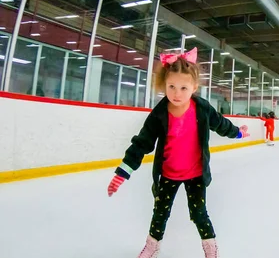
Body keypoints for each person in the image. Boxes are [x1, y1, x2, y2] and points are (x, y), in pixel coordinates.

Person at [106, 48, 250, 258]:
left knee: (199, 214)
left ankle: (211, 249)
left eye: (183, 87)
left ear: (194, 87)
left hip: (196, 174)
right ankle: (152, 247)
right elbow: (142, 143)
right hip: (168, 174)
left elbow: (220, 124)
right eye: (171, 86)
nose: (177, 93)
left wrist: (238, 133)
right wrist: (123, 172)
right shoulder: (159, 113)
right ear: (164, 84)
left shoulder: (201, 108)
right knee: (160, 214)